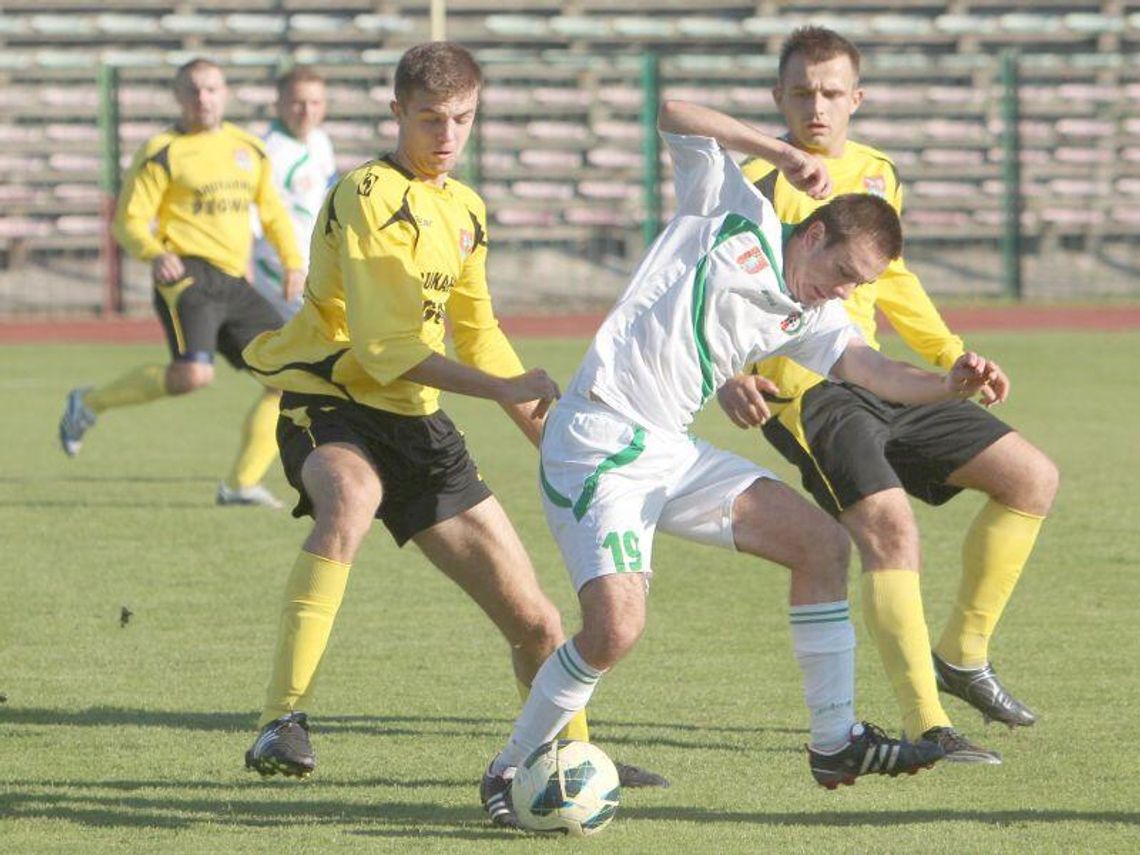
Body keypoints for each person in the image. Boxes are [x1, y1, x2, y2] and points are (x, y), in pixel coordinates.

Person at [478, 98, 1015, 827]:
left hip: (668, 447)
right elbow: (673, 110)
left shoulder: (812, 312)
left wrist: (949, 380)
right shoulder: (731, 213)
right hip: (598, 439)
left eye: (861, 286)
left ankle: (836, 742)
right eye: (845, 272)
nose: (847, 293)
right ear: (815, 232)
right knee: (614, 631)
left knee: (822, 543)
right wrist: (784, 155)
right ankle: (511, 765)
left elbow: (869, 367)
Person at [239, 42, 664, 790]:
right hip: (332, 399)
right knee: (352, 498)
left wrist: (545, 425)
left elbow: (479, 332)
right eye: (430, 118)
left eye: (462, 118)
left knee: (536, 622)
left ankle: (567, 755)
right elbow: (382, 349)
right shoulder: (367, 192)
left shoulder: (465, 207)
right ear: (396, 111)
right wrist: (504, 391)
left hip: (419, 422)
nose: (446, 136)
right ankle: (283, 719)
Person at [718, 26, 1059, 761]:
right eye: (802, 91)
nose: (817, 105)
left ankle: (963, 653)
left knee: (1032, 478)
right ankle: (927, 724)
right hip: (809, 390)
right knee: (889, 531)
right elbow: (711, 290)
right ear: (778, 97)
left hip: (876, 374)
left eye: (832, 92)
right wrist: (732, 372)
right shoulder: (749, 181)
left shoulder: (877, 172)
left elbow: (893, 278)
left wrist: (949, 355)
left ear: (856, 100)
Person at [58, 58, 304, 509]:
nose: (202, 99)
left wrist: (292, 261)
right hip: (187, 274)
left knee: (290, 379)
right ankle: (90, 403)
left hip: (235, 280)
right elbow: (127, 220)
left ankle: (240, 485)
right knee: (194, 374)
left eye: (211, 89)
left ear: (225, 92)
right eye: (192, 90)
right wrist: (155, 253)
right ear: (178, 95)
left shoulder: (248, 149)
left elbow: (271, 212)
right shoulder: (163, 150)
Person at [251, 66, 337, 321]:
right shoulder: (269, 152)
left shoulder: (320, 140)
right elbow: (253, 216)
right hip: (278, 266)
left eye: (315, 102)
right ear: (279, 105)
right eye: (298, 103)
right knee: (325, 337)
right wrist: (290, 265)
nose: (307, 111)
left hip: (316, 265)